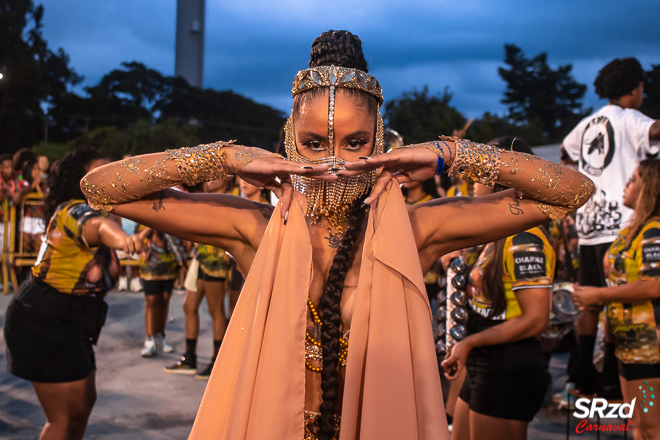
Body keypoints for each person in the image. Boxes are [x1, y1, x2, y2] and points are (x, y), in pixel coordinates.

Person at [81, 30, 594, 440]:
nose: (334, 162)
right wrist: (225, 156)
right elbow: (101, 189)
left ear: (379, 139)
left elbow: (570, 191)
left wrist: (449, 153)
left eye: (355, 143)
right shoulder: (253, 227)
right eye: (312, 143)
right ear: (289, 141)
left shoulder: (417, 229)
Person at [3, 147, 145, 440]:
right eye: (98, 172)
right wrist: (124, 240)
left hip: (72, 319)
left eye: (110, 169)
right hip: (43, 318)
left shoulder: (107, 208)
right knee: (63, 418)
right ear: (78, 180)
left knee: (81, 408)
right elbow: (98, 228)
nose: (109, 176)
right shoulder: (73, 209)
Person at [442, 146, 556, 440]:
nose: (473, 183)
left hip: (509, 367)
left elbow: (535, 319)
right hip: (486, 362)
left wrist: (469, 343)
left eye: (480, 175)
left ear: (501, 179)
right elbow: (489, 300)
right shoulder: (497, 235)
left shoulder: (524, 238)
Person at [563, 57, 660, 394]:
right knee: (619, 299)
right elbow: (654, 131)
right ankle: (615, 380)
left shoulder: (588, 123)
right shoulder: (630, 117)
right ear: (633, 89)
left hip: (588, 225)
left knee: (589, 301)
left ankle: (581, 376)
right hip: (621, 226)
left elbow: (566, 149)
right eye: (642, 90)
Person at [572, 159, 660, 440]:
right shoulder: (632, 230)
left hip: (649, 348)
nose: (626, 184)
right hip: (626, 344)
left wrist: (600, 294)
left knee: (651, 426)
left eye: (634, 179)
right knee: (635, 423)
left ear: (651, 188)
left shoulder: (654, 232)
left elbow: (654, 285)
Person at [165, 179, 235, 378]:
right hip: (199, 258)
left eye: (217, 175)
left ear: (227, 176)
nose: (212, 178)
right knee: (189, 306)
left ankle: (216, 361)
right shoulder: (204, 198)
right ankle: (190, 358)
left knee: (216, 310)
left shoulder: (232, 201)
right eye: (210, 175)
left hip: (216, 262)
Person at [138, 225, 183, 357]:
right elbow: (138, 236)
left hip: (170, 262)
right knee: (151, 300)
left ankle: (160, 336)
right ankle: (149, 339)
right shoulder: (144, 214)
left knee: (164, 300)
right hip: (150, 263)